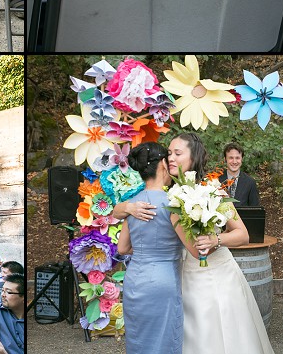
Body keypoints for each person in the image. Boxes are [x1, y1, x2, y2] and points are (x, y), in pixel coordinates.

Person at [115, 133, 272, 353]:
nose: (170, 158)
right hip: (181, 276)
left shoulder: (213, 189)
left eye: (177, 153)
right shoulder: (169, 195)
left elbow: (242, 234)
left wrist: (215, 239)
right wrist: (125, 208)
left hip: (216, 276)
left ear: (193, 157)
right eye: (168, 153)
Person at [114, 142, 184, 354]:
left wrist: (146, 251)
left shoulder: (133, 205)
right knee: (164, 342)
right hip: (163, 281)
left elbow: (123, 248)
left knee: (139, 343)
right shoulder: (173, 203)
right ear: (163, 163)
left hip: (135, 280)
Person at [223, 143, 260, 207]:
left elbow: (255, 211)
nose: (234, 162)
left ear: (242, 159)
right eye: (231, 158)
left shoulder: (250, 183)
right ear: (225, 159)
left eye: (237, 158)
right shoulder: (216, 180)